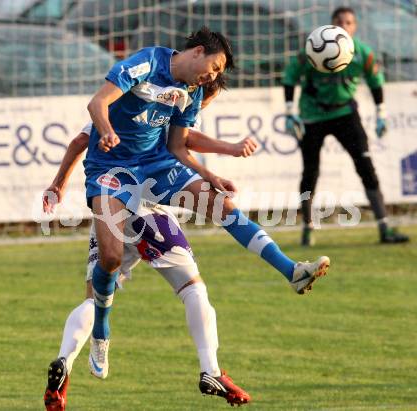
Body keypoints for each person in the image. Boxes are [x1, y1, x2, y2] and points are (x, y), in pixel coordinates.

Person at [84, 26, 330, 384]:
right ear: (197, 51)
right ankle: (101, 331)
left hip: (156, 165)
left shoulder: (191, 91)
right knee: (108, 259)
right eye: (214, 67)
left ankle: (292, 270)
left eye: (218, 74)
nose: (213, 76)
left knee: (223, 206)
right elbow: (97, 103)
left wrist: (209, 175)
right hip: (111, 170)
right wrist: (106, 130)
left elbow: (178, 146)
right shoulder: (147, 62)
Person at [43, 79, 256, 410]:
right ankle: (210, 369)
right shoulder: (169, 109)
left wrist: (58, 184)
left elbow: (78, 141)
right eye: (207, 99)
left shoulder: (123, 105)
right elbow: (185, 142)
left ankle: (64, 362)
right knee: (193, 289)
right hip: (147, 211)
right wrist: (227, 149)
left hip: (109, 206)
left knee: (94, 297)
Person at [283, 6, 410, 246]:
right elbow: (289, 77)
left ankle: (384, 228)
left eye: (349, 22)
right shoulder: (314, 47)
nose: (344, 25)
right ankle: (307, 228)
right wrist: (290, 113)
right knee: (310, 172)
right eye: (339, 21)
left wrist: (381, 113)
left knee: (365, 166)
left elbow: (376, 82)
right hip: (312, 115)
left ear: (355, 27)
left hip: (345, 114)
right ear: (330, 24)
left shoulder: (362, 53)